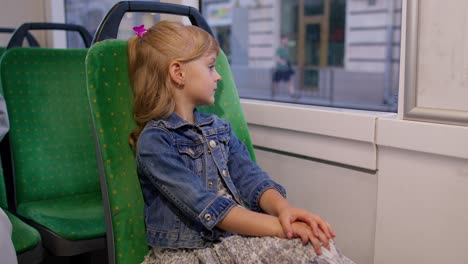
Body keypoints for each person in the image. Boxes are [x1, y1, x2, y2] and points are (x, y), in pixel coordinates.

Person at [128, 21, 354, 264]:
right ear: (178, 73)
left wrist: (284, 211)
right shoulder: (155, 142)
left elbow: (251, 178)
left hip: (231, 238)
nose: (218, 76)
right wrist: (279, 228)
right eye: (211, 67)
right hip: (190, 252)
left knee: (318, 246)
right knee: (304, 247)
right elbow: (205, 205)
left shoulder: (219, 129)